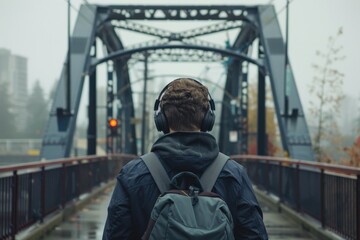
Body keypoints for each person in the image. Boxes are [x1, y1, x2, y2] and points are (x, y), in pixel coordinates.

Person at [102, 78, 268, 240]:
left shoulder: (133, 174)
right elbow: (255, 234)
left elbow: (115, 234)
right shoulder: (234, 174)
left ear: (162, 121)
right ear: (207, 120)